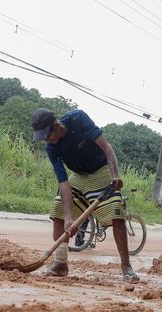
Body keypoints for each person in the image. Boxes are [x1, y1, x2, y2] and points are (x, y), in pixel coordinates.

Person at [31, 108, 139, 282]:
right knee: (58, 208)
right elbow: (63, 182)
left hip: (101, 169)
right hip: (79, 176)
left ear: (56, 126)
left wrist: (115, 175)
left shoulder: (78, 119)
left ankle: (126, 267)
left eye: (47, 135)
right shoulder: (51, 148)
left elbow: (106, 147)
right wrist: (68, 218)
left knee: (115, 212)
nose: (46, 140)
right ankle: (60, 263)